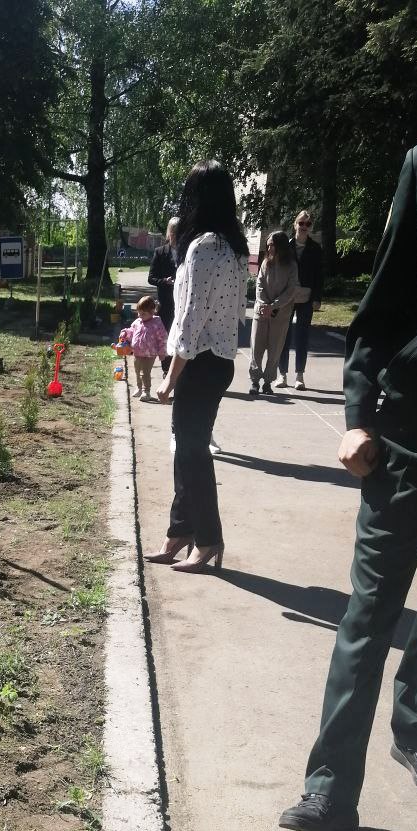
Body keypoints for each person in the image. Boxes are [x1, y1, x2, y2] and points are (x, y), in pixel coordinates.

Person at [280, 134, 417, 831]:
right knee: (370, 611)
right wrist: (356, 417)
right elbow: (380, 309)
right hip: (410, 428)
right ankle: (330, 787)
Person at [146, 160, 248, 573]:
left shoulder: (205, 247)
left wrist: (170, 378)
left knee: (192, 452)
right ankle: (180, 532)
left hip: (200, 362)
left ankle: (208, 541)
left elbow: (190, 318)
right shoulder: (234, 248)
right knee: (185, 451)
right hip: (216, 360)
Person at [274, 210, 323, 390]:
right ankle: (282, 374)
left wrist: (317, 298)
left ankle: (300, 375)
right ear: (295, 225)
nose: (304, 227)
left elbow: (319, 276)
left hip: (306, 297)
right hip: (287, 297)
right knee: (283, 335)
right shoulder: (286, 247)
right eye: (301, 223)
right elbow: (279, 273)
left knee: (302, 336)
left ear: (311, 228)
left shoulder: (315, 249)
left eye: (307, 224)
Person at [249, 231, 299, 395]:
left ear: (281, 247)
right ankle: (255, 381)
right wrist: (263, 304)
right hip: (261, 311)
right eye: (268, 245)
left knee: (275, 349)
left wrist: (275, 305)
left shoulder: (291, 265)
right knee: (257, 348)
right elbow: (260, 284)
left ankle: (268, 382)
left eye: (272, 245)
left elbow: (291, 290)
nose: (269, 248)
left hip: (280, 314)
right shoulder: (265, 263)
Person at [148, 217, 180, 374]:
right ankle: (166, 369)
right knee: (166, 336)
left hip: (181, 303)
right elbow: (151, 278)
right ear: (169, 233)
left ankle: (178, 369)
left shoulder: (187, 252)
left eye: (178, 232)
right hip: (165, 303)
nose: (175, 235)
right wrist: (164, 281)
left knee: (180, 336)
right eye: (173, 232)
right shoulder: (160, 252)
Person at [126, 295, 169, 400]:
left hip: (150, 353)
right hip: (137, 352)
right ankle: (139, 388)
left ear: (152, 311)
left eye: (143, 314)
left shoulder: (156, 323)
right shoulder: (138, 322)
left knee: (145, 372)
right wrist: (125, 334)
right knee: (137, 371)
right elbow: (131, 332)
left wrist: (162, 352)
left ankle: (146, 391)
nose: (140, 316)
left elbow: (162, 338)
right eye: (139, 313)